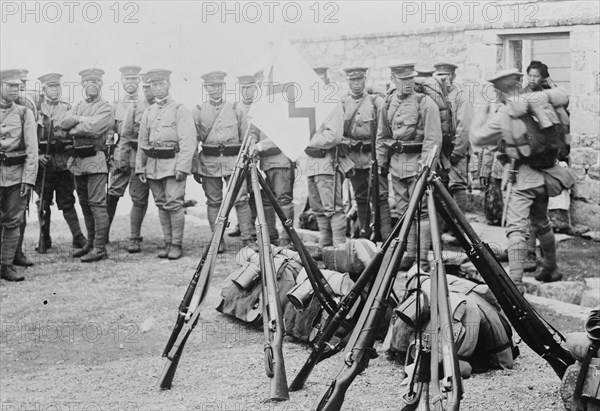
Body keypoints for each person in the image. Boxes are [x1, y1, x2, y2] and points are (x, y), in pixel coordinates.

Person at [469, 68, 574, 292]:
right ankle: (550, 267)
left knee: (515, 229)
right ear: (519, 84)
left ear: (499, 90)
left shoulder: (505, 113)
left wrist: (482, 112)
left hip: (523, 177)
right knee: (541, 223)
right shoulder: (541, 103)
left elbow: (477, 137)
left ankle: (515, 285)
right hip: (546, 175)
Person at [376, 62, 442, 272]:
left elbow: (433, 139)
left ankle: (421, 262)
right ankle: (410, 254)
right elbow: (382, 136)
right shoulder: (387, 103)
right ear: (394, 80)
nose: (408, 83)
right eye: (403, 80)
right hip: (397, 165)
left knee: (421, 212)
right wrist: (381, 162)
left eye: (411, 79)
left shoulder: (425, 103)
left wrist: (426, 166)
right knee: (404, 211)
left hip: (417, 166)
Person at [191, 70, 256, 252]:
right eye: (211, 86)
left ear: (223, 87)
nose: (215, 90)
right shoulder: (197, 111)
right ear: (206, 88)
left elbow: (246, 138)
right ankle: (217, 240)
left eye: (218, 86)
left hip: (233, 161)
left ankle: (247, 239)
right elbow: (193, 140)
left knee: (241, 199)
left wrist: (247, 162)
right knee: (213, 202)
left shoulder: (236, 109)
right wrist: (195, 166)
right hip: (209, 162)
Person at [136, 69, 196, 260]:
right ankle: (167, 241)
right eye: (154, 85)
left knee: (175, 205)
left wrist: (183, 167)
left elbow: (188, 141)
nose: (158, 88)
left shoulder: (180, 109)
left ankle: (176, 244)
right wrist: (140, 167)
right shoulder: (148, 112)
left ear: (169, 85)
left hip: (173, 164)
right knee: (162, 205)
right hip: (153, 165)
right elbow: (142, 142)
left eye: (161, 84)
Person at [60, 68, 113, 262]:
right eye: (88, 82)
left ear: (101, 84)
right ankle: (90, 243)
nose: (92, 85)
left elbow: (94, 128)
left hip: (96, 159)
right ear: (82, 85)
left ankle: (100, 248)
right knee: (84, 203)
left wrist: (77, 123)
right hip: (78, 162)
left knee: (97, 204)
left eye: (96, 82)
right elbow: (63, 124)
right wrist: (78, 121)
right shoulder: (77, 105)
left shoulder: (106, 107)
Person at [243, 71, 296, 247]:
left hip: (280, 161)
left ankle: (288, 238)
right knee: (266, 201)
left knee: (283, 200)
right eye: (258, 84)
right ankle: (271, 235)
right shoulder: (259, 108)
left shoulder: (282, 105)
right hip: (264, 163)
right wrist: (251, 142)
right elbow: (253, 131)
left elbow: (281, 135)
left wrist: (258, 146)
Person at [35, 73, 87, 251]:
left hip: (63, 161)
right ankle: (45, 238)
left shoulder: (67, 107)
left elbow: (75, 130)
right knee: (43, 202)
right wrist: (37, 156)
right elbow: (29, 136)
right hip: (44, 163)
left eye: (57, 86)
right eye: (51, 87)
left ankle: (78, 237)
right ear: (44, 89)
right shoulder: (35, 109)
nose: (55, 90)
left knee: (67, 201)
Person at [340, 66, 392, 240]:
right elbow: (339, 132)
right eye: (352, 81)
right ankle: (364, 234)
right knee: (360, 197)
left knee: (381, 197)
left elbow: (386, 129)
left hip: (373, 156)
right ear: (348, 81)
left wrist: (381, 158)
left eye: (359, 80)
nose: (356, 84)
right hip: (354, 157)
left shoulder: (375, 101)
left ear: (365, 79)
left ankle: (385, 236)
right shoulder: (343, 103)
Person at [109, 69, 154, 253]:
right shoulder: (116, 103)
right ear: (121, 80)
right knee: (112, 194)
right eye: (127, 78)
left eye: (134, 78)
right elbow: (111, 131)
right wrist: (110, 151)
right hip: (121, 155)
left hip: (139, 157)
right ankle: (102, 234)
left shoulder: (147, 103)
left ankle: (134, 236)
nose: (130, 82)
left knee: (139, 197)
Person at [0, 69, 38, 281]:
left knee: (13, 221)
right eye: (9, 85)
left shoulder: (25, 113)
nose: (15, 89)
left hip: (17, 177)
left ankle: (5, 266)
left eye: (17, 86)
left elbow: (32, 150)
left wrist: (29, 178)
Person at [433, 62, 474, 212]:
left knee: (457, 185)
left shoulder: (461, 97)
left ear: (453, 76)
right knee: (440, 186)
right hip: (440, 151)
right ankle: (443, 227)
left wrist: (457, 152)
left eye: (447, 76)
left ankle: (458, 228)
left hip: (456, 149)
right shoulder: (434, 96)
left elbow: (465, 126)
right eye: (439, 76)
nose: (443, 80)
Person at [12, 68, 37, 267]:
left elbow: (33, 140)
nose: (19, 88)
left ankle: (16, 252)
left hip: (19, 167)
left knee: (20, 213)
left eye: (22, 84)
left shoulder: (27, 106)